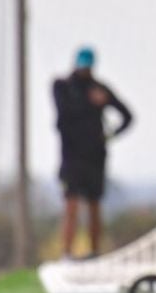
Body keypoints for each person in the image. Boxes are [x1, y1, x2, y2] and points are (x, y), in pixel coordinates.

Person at [52, 46, 132, 260]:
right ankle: (66, 253)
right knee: (71, 203)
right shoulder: (62, 86)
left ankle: (94, 252)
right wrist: (92, 103)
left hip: (95, 156)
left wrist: (110, 135)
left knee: (94, 204)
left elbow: (127, 115)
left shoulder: (100, 88)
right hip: (71, 156)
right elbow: (64, 114)